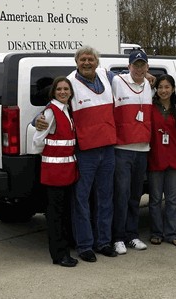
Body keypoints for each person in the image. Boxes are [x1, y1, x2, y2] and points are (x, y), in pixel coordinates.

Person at [37, 46, 118, 262]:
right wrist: (39, 118)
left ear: (97, 61)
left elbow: (129, 78)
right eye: (83, 59)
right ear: (76, 62)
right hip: (85, 151)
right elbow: (56, 103)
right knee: (81, 200)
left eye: (91, 59)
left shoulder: (106, 75)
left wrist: (147, 75)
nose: (87, 62)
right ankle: (85, 246)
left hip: (108, 148)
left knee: (105, 198)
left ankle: (104, 242)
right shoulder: (71, 82)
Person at [32, 76, 79, 267]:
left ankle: (64, 251)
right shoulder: (51, 113)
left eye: (66, 89)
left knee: (64, 213)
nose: (62, 92)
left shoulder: (67, 110)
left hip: (66, 171)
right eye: (59, 89)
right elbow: (37, 140)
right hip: (54, 172)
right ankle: (59, 255)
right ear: (53, 92)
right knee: (56, 215)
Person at [111, 50, 152, 255]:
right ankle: (118, 237)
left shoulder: (150, 85)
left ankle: (132, 234)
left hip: (143, 149)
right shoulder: (118, 81)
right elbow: (100, 73)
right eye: (135, 65)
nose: (138, 68)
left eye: (142, 65)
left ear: (147, 67)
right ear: (128, 67)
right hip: (122, 149)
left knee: (136, 195)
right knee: (121, 195)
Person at [148, 74, 176, 246]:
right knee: (155, 199)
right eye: (160, 87)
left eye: (167, 87)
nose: (163, 90)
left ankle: (171, 232)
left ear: (173, 89)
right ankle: (156, 232)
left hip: (175, 159)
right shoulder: (150, 107)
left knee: (172, 199)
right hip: (155, 158)